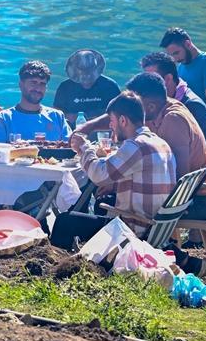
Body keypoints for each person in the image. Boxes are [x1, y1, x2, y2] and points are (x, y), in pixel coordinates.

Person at [57, 91, 176, 245]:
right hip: (156, 228)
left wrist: (83, 148)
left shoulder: (136, 145)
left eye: (112, 120)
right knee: (103, 201)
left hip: (134, 230)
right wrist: (115, 184)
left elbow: (99, 175)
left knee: (64, 221)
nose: (110, 126)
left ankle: (64, 268)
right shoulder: (160, 143)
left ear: (122, 120)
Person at [70, 72, 206, 181]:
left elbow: (179, 175)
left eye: (134, 103)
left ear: (149, 106)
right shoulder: (155, 107)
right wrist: (88, 127)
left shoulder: (173, 120)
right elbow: (120, 114)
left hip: (195, 199)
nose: (131, 108)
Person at [139, 51, 206, 161]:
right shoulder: (155, 103)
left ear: (168, 79)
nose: (146, 85)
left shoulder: (192, 106)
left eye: (152, 79)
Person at [0, 61, 69, 143]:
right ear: (21, 84)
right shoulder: (3, 119)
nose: (38, 88)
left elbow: (70, 150)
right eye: (34, 82)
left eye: (42, 83)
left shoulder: (57, 117)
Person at [159, 27, 206, 110]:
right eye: (172, 55)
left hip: (201, 118)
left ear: (188, 44)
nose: (175, 59)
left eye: (176, 53)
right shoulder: (181, 66)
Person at [52, 49, 121, 124]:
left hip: (104, 130)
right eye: (83, 73)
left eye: (89, 72)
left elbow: (120, 112)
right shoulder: (65, 87)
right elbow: (57, 113)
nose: (87, 77)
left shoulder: (110, 86)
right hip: (73, 130)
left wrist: (92, 118)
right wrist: (70, 117)